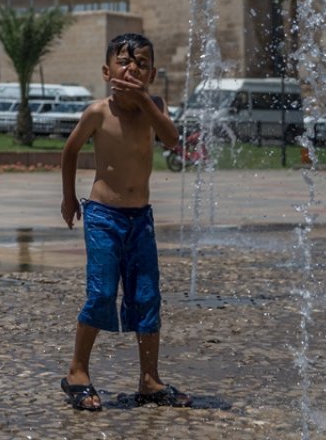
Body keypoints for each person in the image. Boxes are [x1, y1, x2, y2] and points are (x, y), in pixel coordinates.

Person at [58, 33, 192, 411]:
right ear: (107, 70)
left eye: (142, 65)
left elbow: (171, 138)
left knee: (147, 297)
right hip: (103, 217)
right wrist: (69, 197)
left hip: (140, 219)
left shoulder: (155, 109)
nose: (132, 69)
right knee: (101, 293)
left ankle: (149, 380)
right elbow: (69, 151)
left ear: (151, 75)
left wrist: (146, 102)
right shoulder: (99, 112)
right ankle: (77, 372)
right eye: (124, 62)